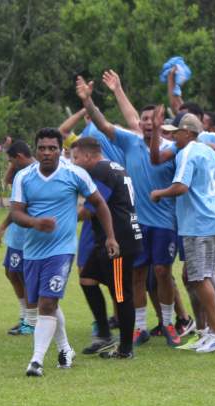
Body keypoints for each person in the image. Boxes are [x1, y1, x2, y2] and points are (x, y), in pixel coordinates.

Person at [78, 74, 192, 347]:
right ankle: (139, 327)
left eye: (153, 119)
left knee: (163, 272)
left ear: (161, 124)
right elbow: (103, 124)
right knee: (137, 274)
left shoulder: (171, 150)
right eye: (144, 120)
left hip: (165, 222)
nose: (147, 123)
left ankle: (167, 323)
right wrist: (89, 100)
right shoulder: (130, 141)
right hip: (136, 223)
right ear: (140, 123)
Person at [11, 127, 118, 377]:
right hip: (33, 250)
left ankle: (36, 361)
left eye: (53, 148)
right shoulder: (24, 177)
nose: (47, 152)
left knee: (48, 303)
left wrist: (111, 237)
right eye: (42, 148)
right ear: (35, 150)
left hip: (62, 249)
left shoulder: (75, 174)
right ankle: (65, 349)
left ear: (62, 150)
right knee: (43, 302)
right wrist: (35, 222)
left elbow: (100, 204)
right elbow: (16, 212)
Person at [151, 113, 215, 353]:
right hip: (213, 220)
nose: (172, 135)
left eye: (175, 131)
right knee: (201, 276)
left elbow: (181, 187)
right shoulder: (208, 151)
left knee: (198, 278)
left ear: (187, 132)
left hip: (198, 223)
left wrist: (159, 193)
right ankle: (207, 331)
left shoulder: (187, 152)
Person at [70, 137, 142, 359]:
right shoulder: (113, 166)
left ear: (89, 156)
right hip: (109, 240)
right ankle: (104, 334)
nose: (74, 163)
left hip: (118, 242)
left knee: (121, 294)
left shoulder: (101, 170)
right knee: (87, 278)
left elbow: (91, 209)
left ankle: (125, 349)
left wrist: (61, 220)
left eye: (76, 158)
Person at [0, 141, 36, 336]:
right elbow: (9, 178)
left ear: (19, 157)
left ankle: (30, 320)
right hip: (17, 236)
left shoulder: (34, 173)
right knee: (11, 272)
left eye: (12, 160)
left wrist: (1, 227)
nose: (10, 164)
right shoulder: (20, 173)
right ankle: (24, 315)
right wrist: (12, 155)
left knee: (24, 276)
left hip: (27, 234)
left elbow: (19, 208)